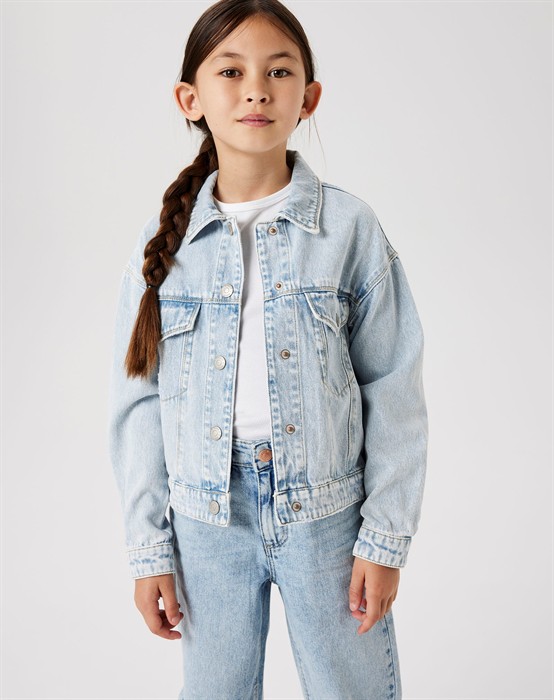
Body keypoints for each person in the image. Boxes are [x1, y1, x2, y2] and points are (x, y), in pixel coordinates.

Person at [108, 1, 428, 697]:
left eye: (279, 72)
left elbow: (394, 385)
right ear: (190, 99)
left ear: (308, 98)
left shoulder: (349, 229)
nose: (256, 89)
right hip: (207, 519)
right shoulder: (163, 247)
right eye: (231, 71)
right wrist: (149, 548)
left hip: (329, 517)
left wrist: (383, 539)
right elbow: (137, 403)